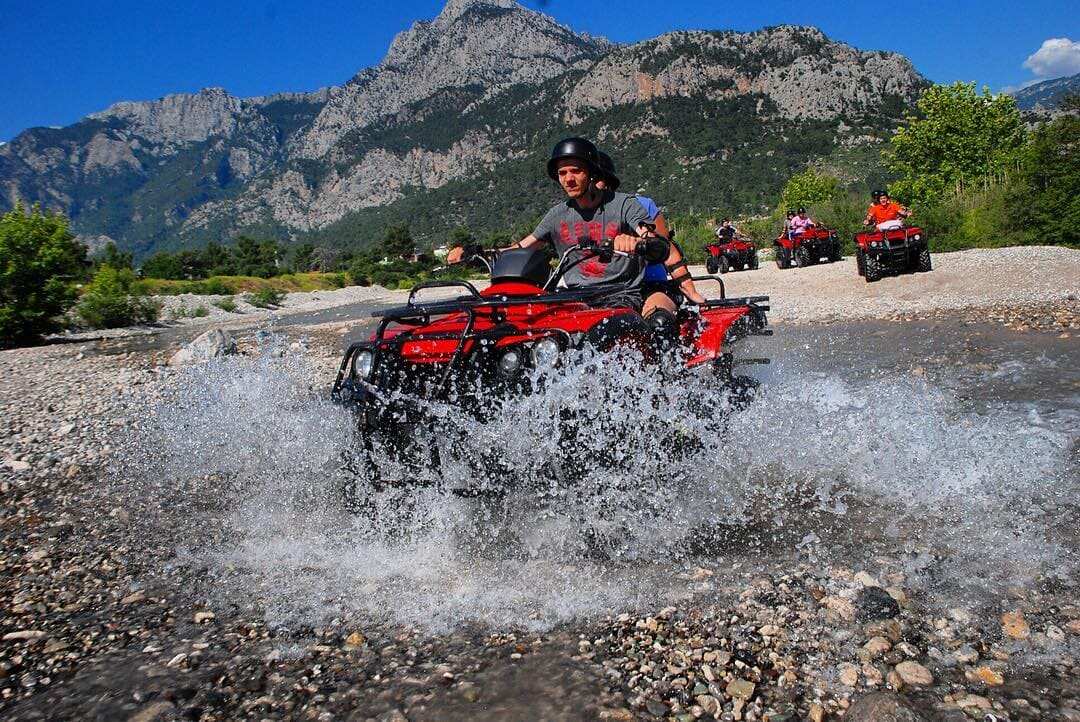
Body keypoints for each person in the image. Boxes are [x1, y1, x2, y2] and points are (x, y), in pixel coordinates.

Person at [452, 137, 673, 324]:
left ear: (592, 173)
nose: (568, 179)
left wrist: (639, 241)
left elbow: (650, 235)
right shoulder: (556, 216)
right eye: (562, 172)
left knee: (620, 330)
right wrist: (475, 254)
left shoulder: (624, 204)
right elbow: (520, 248)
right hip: (573, 297)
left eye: (576, 171)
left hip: (620, 294)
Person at [593, 152, 705, 307]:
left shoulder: (642, 205)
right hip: (600, 287)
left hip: (649, 283)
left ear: (608, 181)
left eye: (597, 178)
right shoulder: (575, 215)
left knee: (659, 321)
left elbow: (663, 247)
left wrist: (637, 243)